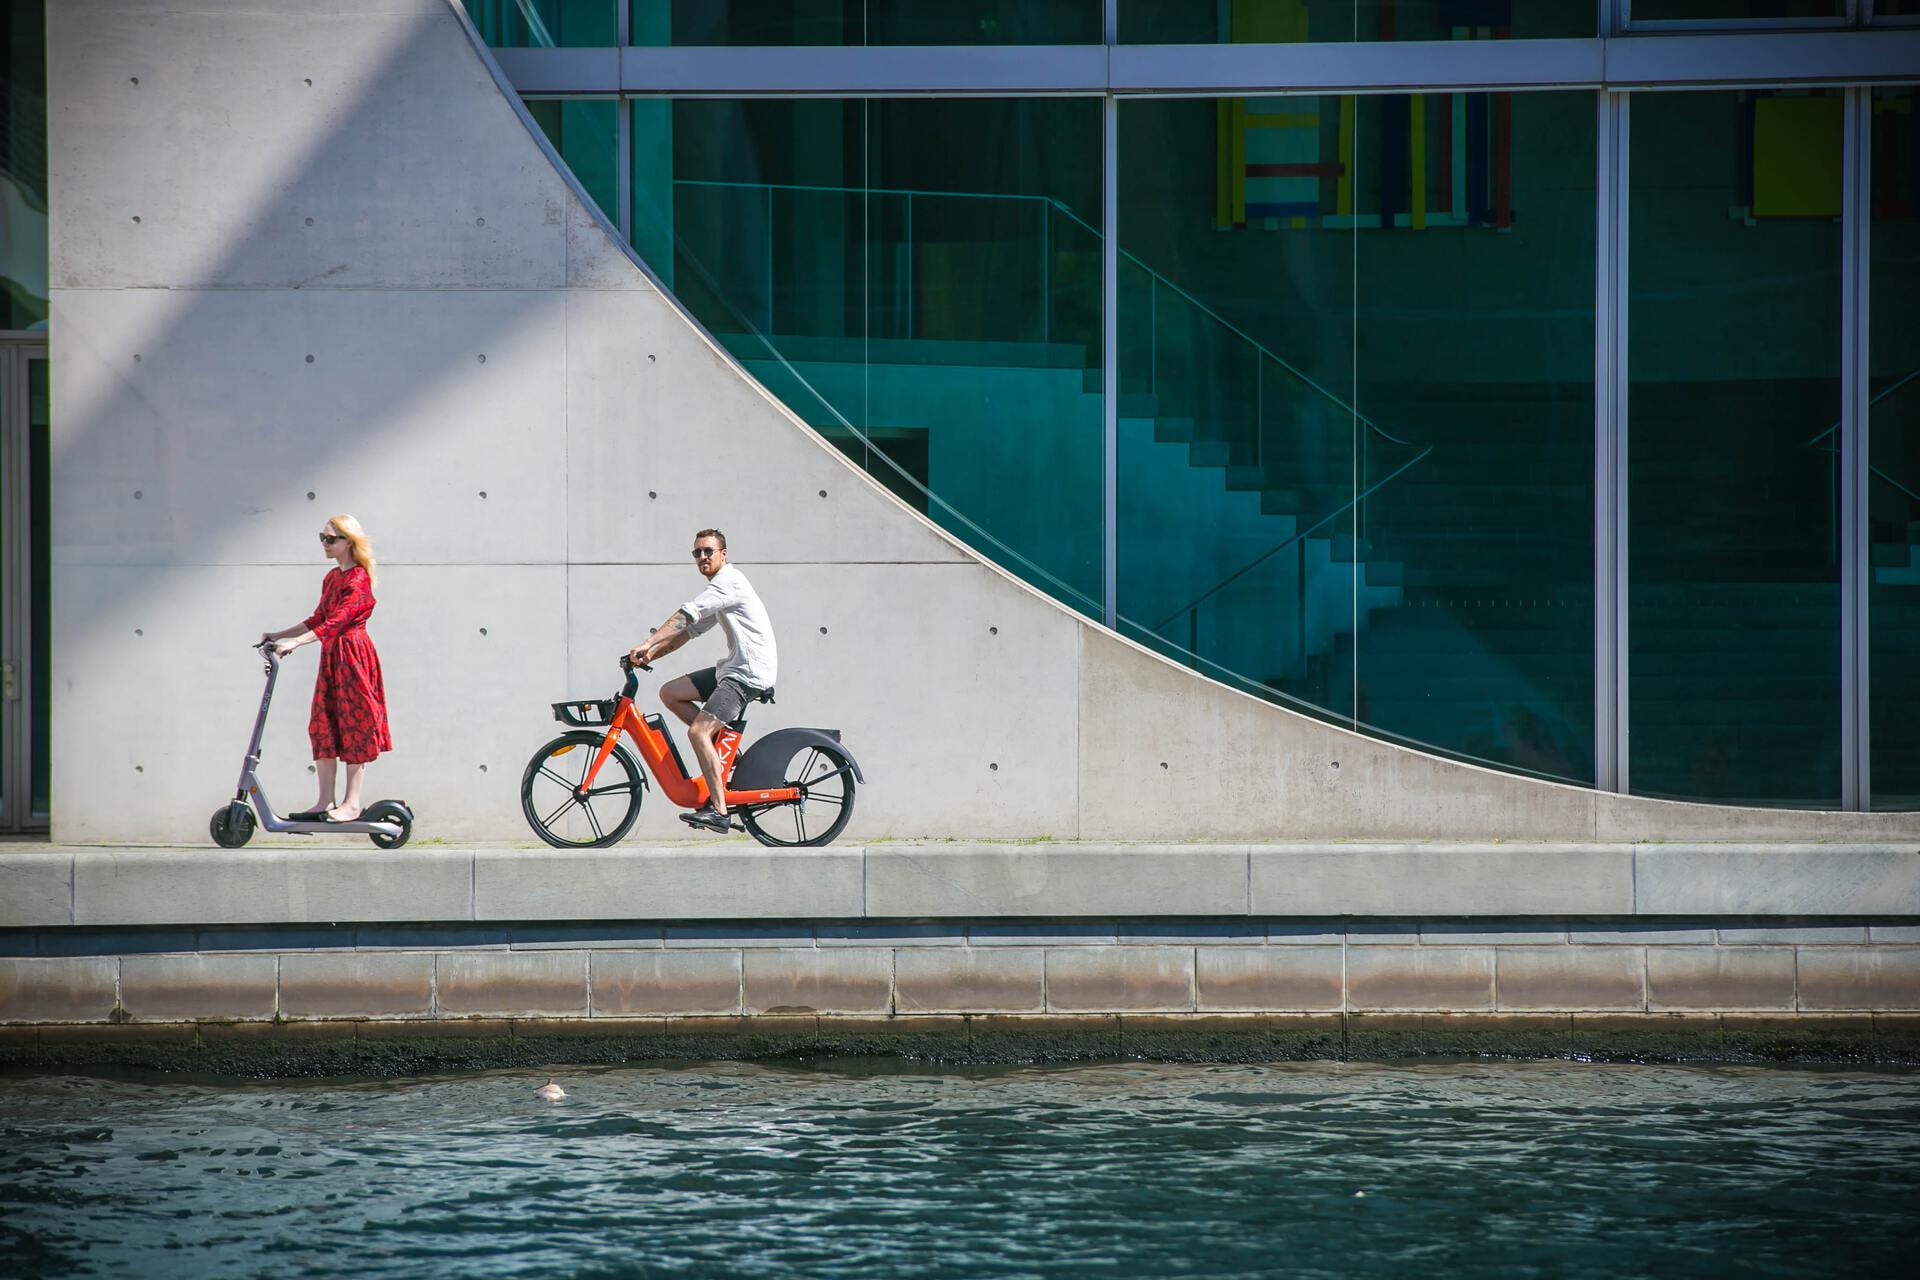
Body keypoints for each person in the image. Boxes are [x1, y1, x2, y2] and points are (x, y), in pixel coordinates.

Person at [629, 528, 778, 832]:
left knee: (698, 733)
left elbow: (686, 615)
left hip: (747, 673)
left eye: (708, 551)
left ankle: (720, 811)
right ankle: (720, 752)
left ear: (724, 554)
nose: (702, 557)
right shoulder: (720, 591)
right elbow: (688, 632)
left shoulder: (728, 582)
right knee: (671, 693)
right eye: (697, 552)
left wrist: (647, 641)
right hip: (733, 668)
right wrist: (651, 655)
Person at [259, 515, 392, 822]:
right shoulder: (332, 579)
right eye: (322, 538)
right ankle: (325, 801)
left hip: (353, 655)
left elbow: (338, 621)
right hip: (332, 655)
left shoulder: (359, 579)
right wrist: (280, 635)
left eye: (331, 539)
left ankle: (352, 803)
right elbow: (320, 616)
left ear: (349, 542)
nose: (325, 544)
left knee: (355, 725)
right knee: (323, 724)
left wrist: (297, 643)